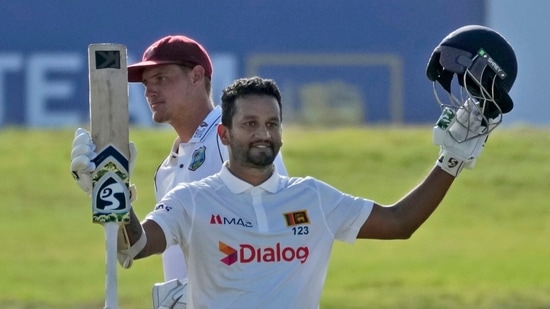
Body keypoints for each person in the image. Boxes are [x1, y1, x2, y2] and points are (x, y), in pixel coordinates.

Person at [117, 25, 517, 308]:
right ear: (228, 133)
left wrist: (452, 158)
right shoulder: (178, 179)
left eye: (271, 124)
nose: (262, 135)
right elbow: (134, 245)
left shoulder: (306, 197)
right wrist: (112, 195)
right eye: (251, 125)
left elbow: (397, 223)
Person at [70, 35, 288, 307]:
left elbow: (278, 223)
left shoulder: (233, 137)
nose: (149, 91)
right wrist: (110, 188)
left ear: (197, 76)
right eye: (147, 83)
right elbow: (135, 247)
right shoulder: (167, 169)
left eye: (161, 78)